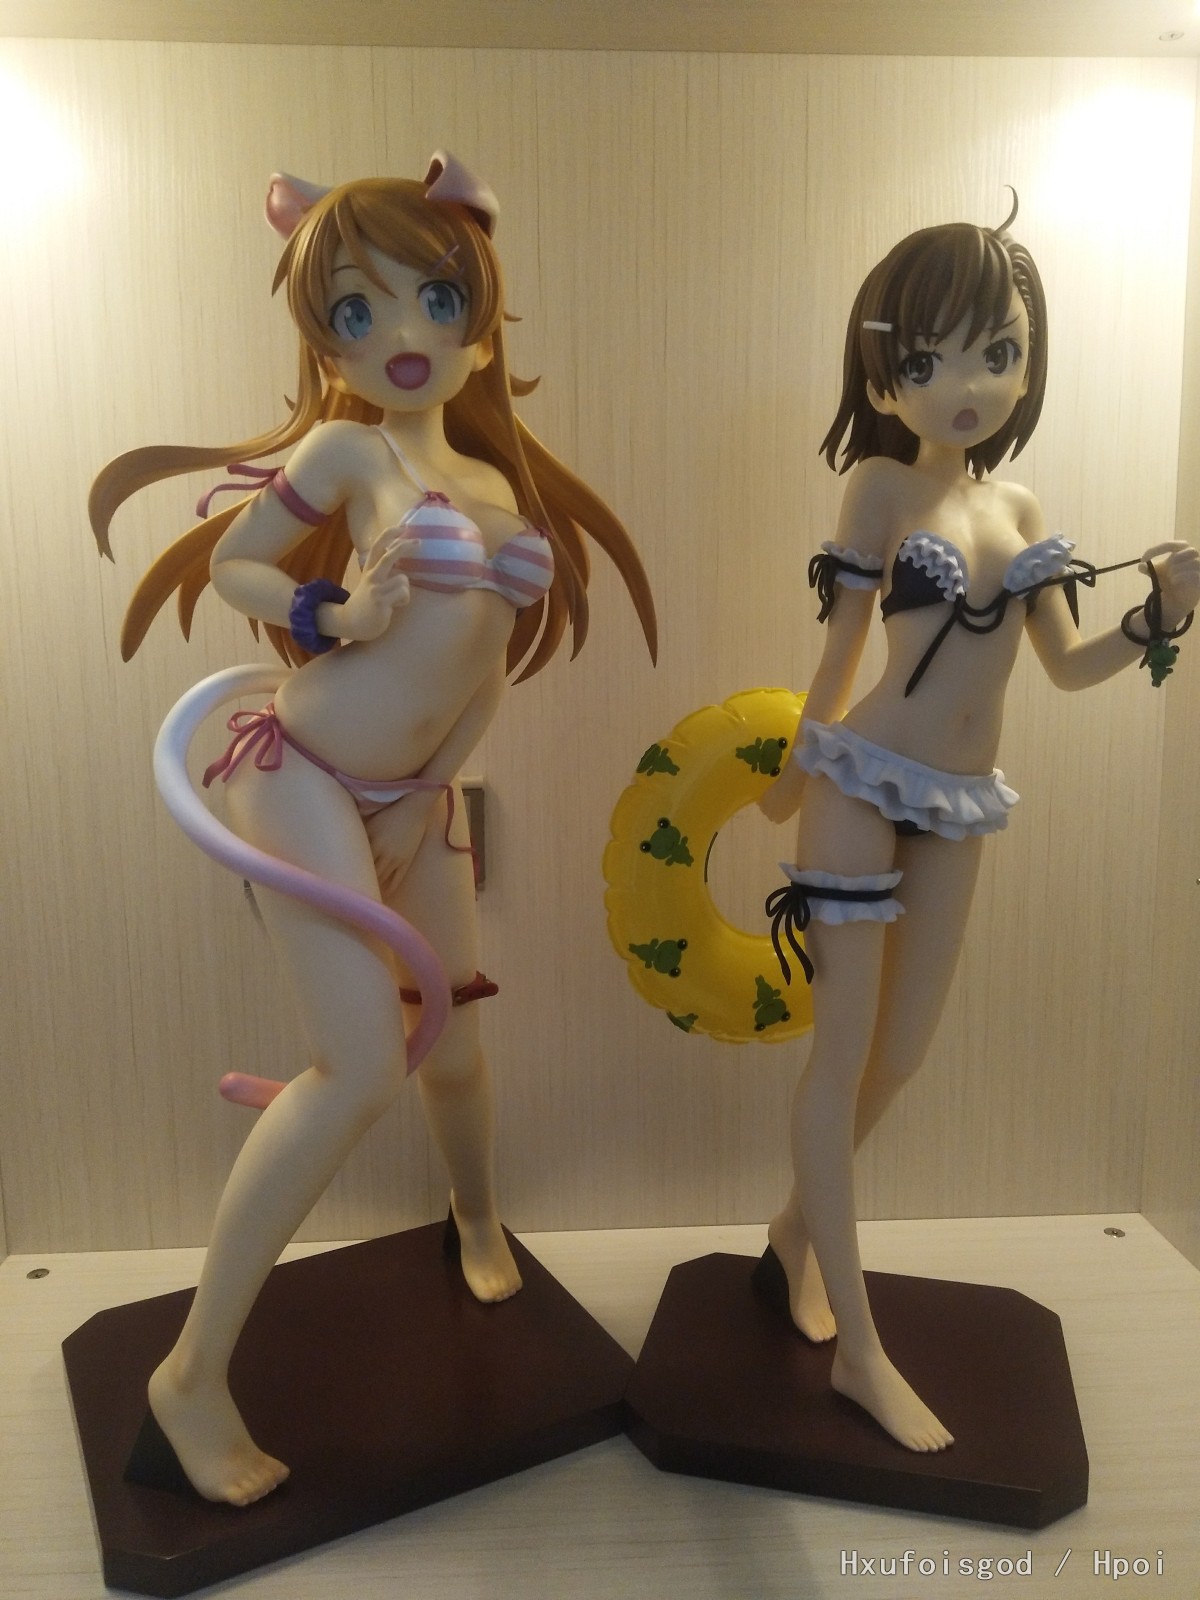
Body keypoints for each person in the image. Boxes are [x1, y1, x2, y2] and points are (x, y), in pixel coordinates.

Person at [90, 153, 656, 1505]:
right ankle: (189, 1378)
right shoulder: (348, 453)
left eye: (433, 299)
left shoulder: (500, 492)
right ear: (326, 342)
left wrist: (428, 798)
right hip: (295, 766)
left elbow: (480, 677)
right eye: (357, 310)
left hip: (415, 797)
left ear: (479, 328)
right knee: (358, 1068)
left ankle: (476, 1213)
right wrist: (336, 612)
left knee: (453, 1040)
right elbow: (239, 560)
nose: (401, 333)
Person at [758, 198, 1197, 1452]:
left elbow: (1067, 668)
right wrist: (785, 779)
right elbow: (841, 654)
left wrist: (1165, 614)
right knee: (842, 1053)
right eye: (930, 358)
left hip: (960, 801)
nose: (968, 385)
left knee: (903, 1055)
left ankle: (791, 1232)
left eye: (997, 352)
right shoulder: (877, 485)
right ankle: (861, 1349)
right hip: (860, 782)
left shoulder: (1024, 509)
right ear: (883, 373)